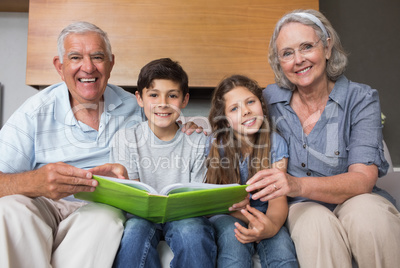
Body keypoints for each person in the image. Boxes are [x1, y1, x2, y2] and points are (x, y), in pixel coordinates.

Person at [0, 22, 200, 267]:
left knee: (106, 218)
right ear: (59, 66)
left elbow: (168, 121)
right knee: (9, 209)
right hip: (43, 204)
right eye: (75, 57)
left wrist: (189, 127)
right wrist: (35, 181)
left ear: (110, 63)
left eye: (97, 57)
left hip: (96, 209)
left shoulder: (135, 106)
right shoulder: (34, 111)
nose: (88, 67)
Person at [242, 9, 400, 267]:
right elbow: (231, 120)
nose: (298, 60)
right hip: (302, 207)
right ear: (279, 61)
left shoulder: (361, 99)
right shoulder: (268, 100)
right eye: (287, 53)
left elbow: (362, 179)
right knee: (315, 226)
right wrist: (187, 126)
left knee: (372, 219)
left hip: (356, 198)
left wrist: (296, 184)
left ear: (327, 48)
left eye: (306, 47)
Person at [107, 58, 216, 268]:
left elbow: (197, 197)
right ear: (139, 98)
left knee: (192, 232)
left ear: (184, 100)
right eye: (154, 95)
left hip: (185, 215)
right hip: (141, 216)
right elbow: (135, 196)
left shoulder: (197, 140)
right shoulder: (126, 139)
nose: (163, 103)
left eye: (172, 95)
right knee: (134, 233)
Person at [204, 75, 298, 268]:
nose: (246, 111)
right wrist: (241, 213)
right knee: (234, 244)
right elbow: (212, 201)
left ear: (262, 106)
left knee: (282, 251)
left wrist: (269, 226)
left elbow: (278, 199)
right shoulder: (216, 145)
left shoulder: (275, 143)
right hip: (227, 215)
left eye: (250, 102)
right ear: (226, 120)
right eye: (234, 109)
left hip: (266, 213)